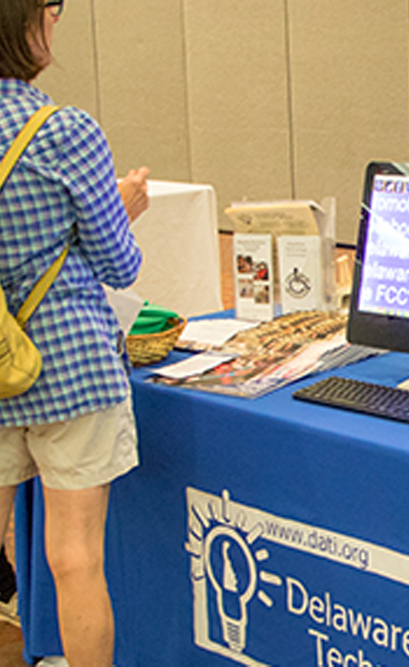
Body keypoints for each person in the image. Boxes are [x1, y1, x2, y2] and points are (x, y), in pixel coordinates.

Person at [0, 0, 149, 664]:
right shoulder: (63, 131)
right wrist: (122, 207)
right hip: (68, 365)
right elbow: (119, 263)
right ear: (28, 22)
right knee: (75, 558)